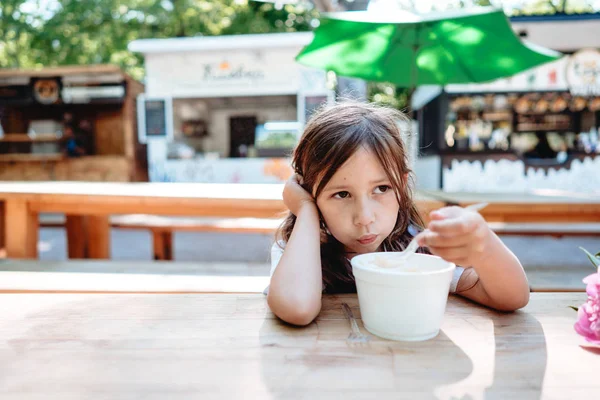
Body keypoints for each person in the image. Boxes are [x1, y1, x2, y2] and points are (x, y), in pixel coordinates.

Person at [266, 101, 529, 326]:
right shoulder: (301, 249)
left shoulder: (417, 255)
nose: (365, 217)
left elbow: (513, 297)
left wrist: (485, 247)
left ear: (401, 186)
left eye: (381, 188)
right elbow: (297, 308)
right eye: (342, 194)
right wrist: (306, 211)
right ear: (310, 194)